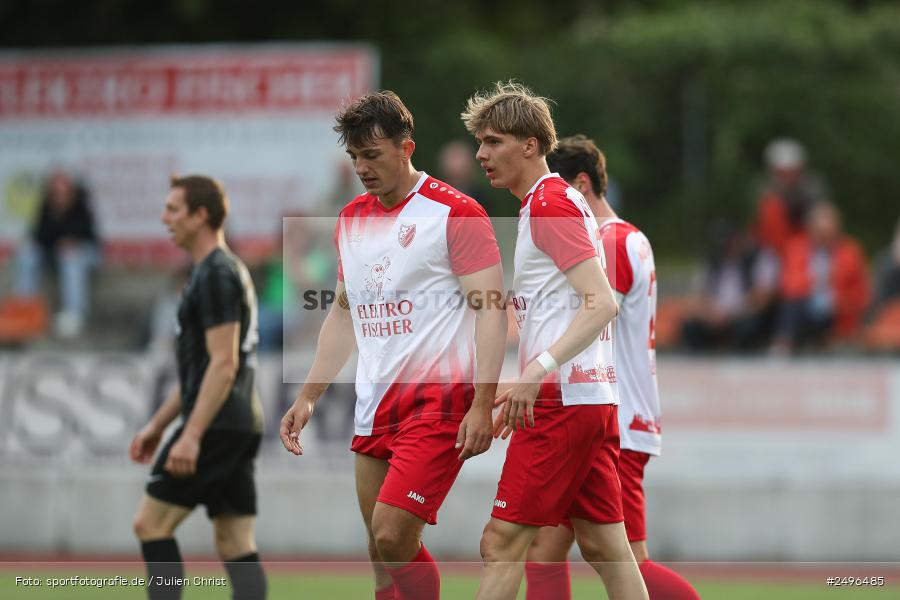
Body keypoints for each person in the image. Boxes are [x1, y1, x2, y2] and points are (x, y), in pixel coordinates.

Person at [280, 90, 507, 600]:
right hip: (375, 403)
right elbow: (343, 313)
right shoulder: (351, 218)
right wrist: (310, 393)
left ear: (407, 149)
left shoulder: (455, 212)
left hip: (438, 404)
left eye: (373, 155)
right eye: (354, 156)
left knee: (391, 533)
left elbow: (491, 311)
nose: (362, 167)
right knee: (380, 552)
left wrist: (484, 401)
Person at [461, 82, 648, 600]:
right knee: (607, 548)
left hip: (563, 399)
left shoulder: (549, 204)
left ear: (530, 145)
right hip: (588, 397)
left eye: (493, 141)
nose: (481, 154)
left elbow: (603, 301)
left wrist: (535, 371)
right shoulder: (548, 202)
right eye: (480, 143)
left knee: (501, 543)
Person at [521, 135, 699, 599]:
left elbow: (593, 313)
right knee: (545, 548)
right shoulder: (629, 237)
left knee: (623, 559)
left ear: (581, 183)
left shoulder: (610, 241)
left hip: (609, 417)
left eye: (559, 188)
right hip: (611, 414)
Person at [130, 175, 267, 600]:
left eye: (174, 209)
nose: (164, 217)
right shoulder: (221, 271)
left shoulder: (214, 274)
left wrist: (189, 435)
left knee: (151, 525)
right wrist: (158, 425)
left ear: (201, 215)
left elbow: (223, 364)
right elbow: (204, 370)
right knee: (234, 541)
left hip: (216, 423)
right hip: (239, 420)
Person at [12, 169, 100, 338]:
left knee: (71, 256)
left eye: (64, 191)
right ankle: (23, 309)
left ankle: (75, 313)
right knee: (27, 253)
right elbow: (38, 235)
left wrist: (70, 241)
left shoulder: (81, 206)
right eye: (56, 192)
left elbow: (86, 236)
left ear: (71, 191)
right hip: (53, 254)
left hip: (85, 254)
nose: (60, 196)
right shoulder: (46, 207)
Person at [773, 201, 870, 352]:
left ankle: (827, 340)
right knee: (792, 306)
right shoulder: (796, 248)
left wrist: (840, 301)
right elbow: (788, 285)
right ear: (811, 229)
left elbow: (861, 291)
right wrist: (814, 281)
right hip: (804, 306)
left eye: (829, 232)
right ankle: (785, 343)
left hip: (837, 312)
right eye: (821, 232)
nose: (825, 238)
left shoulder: (850, 252)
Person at [680, 221, 780, 352]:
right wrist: (710, 315)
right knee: (690, 328)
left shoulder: (757, 258)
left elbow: (763, 297)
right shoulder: (711, 263)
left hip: (743, 315)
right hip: (714, 317)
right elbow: (698, 296)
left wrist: (731, 315)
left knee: (748, 329)